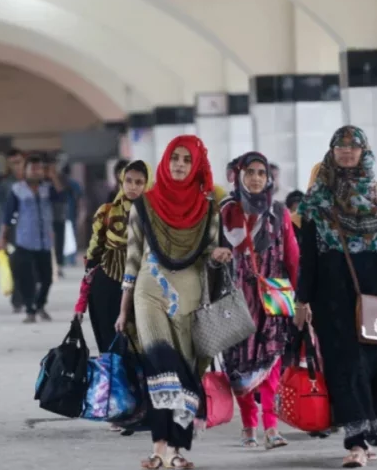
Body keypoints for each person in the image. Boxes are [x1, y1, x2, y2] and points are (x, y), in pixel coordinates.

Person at [295, 125, 377, 467]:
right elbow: (308, 256)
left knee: (373, 364)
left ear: (364, 152)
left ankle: (368, 428)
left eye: (354, 146)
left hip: (375, 291)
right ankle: (356, 441)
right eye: (340, 146)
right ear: (331, 152)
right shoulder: (317, 198)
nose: (347, 151)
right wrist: (302, 301)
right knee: (345, 365)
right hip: (330, 296)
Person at [115, 136, 230, 469]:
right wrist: (123, 308)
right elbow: (132, 258)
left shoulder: (208, 208)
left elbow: (208, 252)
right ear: (165, 161)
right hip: (148, 292)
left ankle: (176, 449)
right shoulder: (144, 205)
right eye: (175, 158)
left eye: (186, 160)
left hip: (188, 296)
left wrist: (217, 255)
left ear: (196, 166)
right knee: (160, 366)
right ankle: (159, 447)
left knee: (185, 370)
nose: (179, 164)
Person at [220, 151, 299, 450]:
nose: (255, 178)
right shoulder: (226, 212)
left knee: (271, 362)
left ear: (268, 179)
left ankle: (271, 427)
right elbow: (211, 253)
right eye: (250, 172)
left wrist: (302, 299)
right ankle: (248, 424)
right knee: (239, 364)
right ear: (239, 176)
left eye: (261, 173)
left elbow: (292, 257)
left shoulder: (279, 212)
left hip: (272, 296)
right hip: (236, 299)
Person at [75, 160, 153, 353]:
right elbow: (93, 255)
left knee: (142, 345)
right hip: (105, 284)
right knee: (109, 346)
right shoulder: (106, 212)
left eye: (139, 182)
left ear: (147, 184)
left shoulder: (155, 214)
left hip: (143, 284)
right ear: (121, 182)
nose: (132, 186)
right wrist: (81, 302)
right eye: (128, 181)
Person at [0, 153, 63, 323]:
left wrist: (53, 177)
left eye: (39, 168)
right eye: (33, 168)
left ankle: (40, 305)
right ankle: (30, 310)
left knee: (47, 279)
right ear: (25, 170)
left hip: (44, 242)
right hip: (24, 241)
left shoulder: (47, 188)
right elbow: (7, 216)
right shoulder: (17, 190)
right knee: (26, 278)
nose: (36, 171)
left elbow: (61, 197)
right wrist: (3, 238)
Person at [0, 148, 25, 312]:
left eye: (18, 162)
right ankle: (18, 299)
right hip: (13, 230)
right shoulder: (5, 185)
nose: (16, 166)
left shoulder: (33, 182)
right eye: (13, 163)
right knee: (15, 263)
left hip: (31, 231)